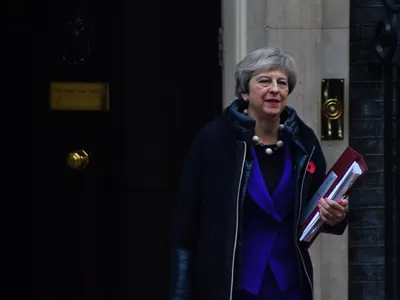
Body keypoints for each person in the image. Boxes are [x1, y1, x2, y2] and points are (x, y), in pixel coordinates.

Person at [169, 47, 349, 300]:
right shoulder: (213, 140)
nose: (275, 89)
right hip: (231, 283)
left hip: (289, 284)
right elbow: (185, 225)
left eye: (282, 83)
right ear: (244, 91)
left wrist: (337, 215)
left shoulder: (303, 141)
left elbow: (320, 202)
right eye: (264, 81)